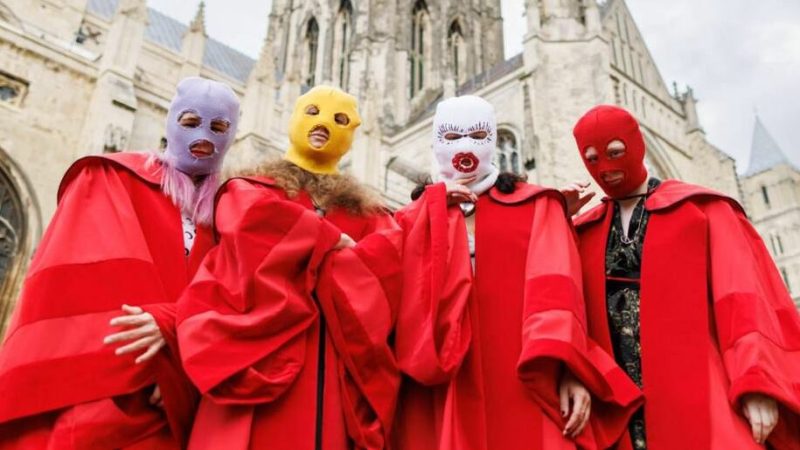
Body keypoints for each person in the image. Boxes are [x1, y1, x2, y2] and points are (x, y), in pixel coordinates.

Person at [0, 76, 239, 448]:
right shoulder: (108, 177)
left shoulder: (234, 214)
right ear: (171, 122)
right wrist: (160, 362)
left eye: (219, 127)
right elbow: (88, 282)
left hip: (183, 409)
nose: (204, 136)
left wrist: (182, 359)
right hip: (105, 390)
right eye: (190, 123)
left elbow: (239, 299)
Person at [392, 95, 642, 450]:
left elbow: (559, 294)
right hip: (442, 385)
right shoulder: (411, 218)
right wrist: (428, 210)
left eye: (478, 135)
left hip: (524, 375)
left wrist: (570, 369)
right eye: (451, 138)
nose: (465, 147)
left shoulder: (537, 205)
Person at [177, 85, 402, 450]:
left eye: (339, 119)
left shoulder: (369, 215)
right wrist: (326, 241)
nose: (324, 124)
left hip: (330, 373)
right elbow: (250, 229)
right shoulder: (252, 189)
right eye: (312, 112)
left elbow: (387, 262)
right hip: (258, 360)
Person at [571, 104, 800, 449]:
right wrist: (551, 216)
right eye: (591, 158)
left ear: (636, 144)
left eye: (616, 151)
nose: (606, 166)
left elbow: (743, 300)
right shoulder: (582, 229)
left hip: (704, 388)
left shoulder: (704, 211)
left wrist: (757, 381)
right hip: (617, 404)